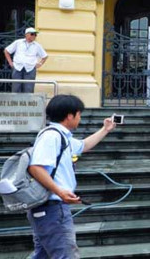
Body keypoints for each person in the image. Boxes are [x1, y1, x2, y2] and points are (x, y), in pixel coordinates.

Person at [27, 95, 115, 258]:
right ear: (69, 116)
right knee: (66, 254)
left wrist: (105, 129)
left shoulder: (62, 137)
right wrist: (60, 192)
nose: (80, 118)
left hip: (50, 206)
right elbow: (36, 168)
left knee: (43, 254)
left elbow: (83, 145)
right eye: (78, 114)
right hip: (52, 206)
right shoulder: (51, 136)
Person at [4, 27, 48, 93]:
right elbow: (6, 51)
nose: (34, 36)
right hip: (17, 67)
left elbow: (45, 56)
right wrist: (10, 62)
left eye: (35, 34)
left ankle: (28, 102)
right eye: (32, 34)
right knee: (16, 88)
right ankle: (15, 102)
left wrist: (40, 64)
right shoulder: (18, 42)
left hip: (30, 69)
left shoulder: (37, 45)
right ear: (26, 34)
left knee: (29, 89)